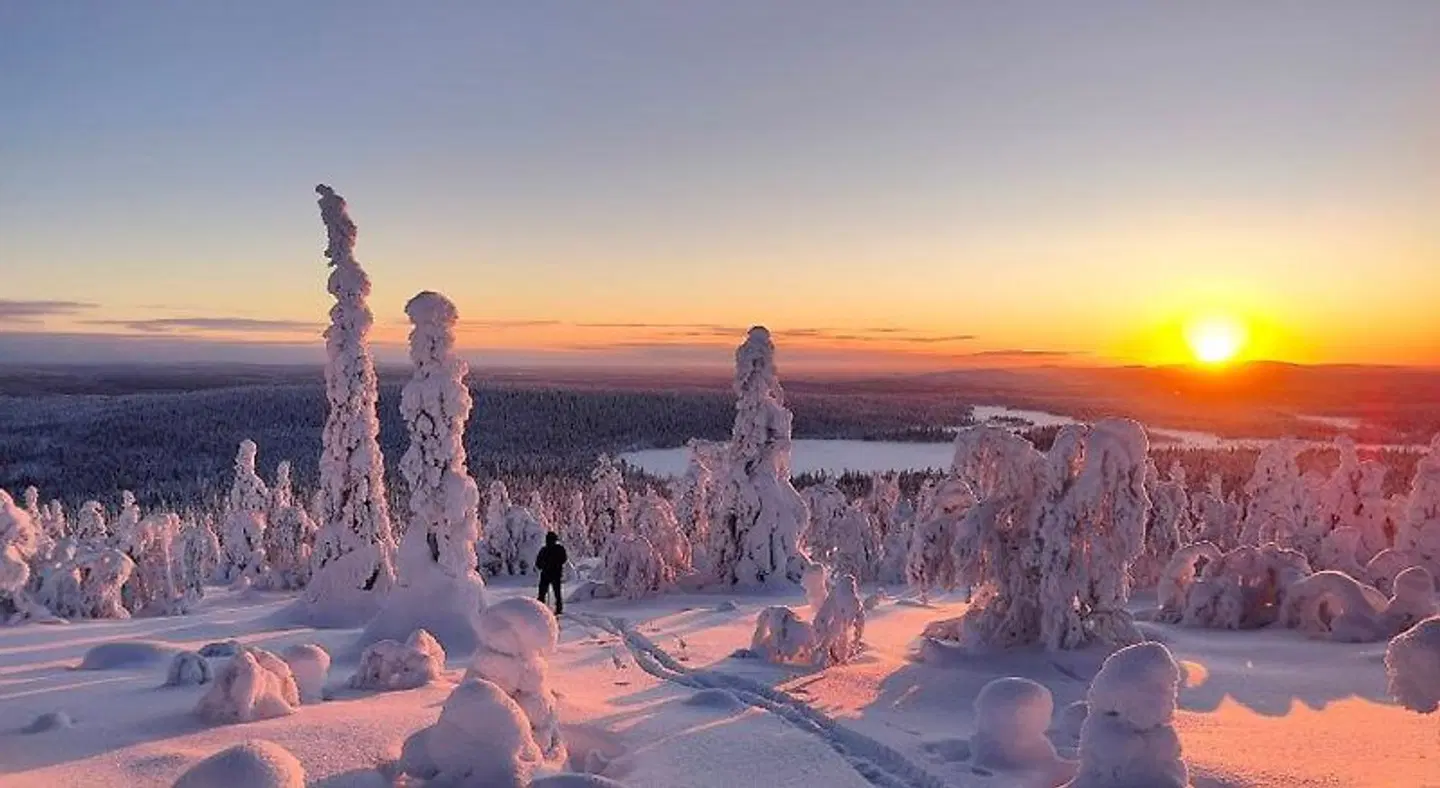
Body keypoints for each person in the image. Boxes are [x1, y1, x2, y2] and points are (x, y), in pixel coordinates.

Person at [535, 531, 568, 615]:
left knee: (543, 593)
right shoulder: (559, 549)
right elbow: (564, 559)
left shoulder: (544, 550)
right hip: (554, 574)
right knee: (555, 593)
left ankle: (541, 609)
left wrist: (545, 565)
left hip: (548, 574)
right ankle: (558, 609)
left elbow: (538, 564)